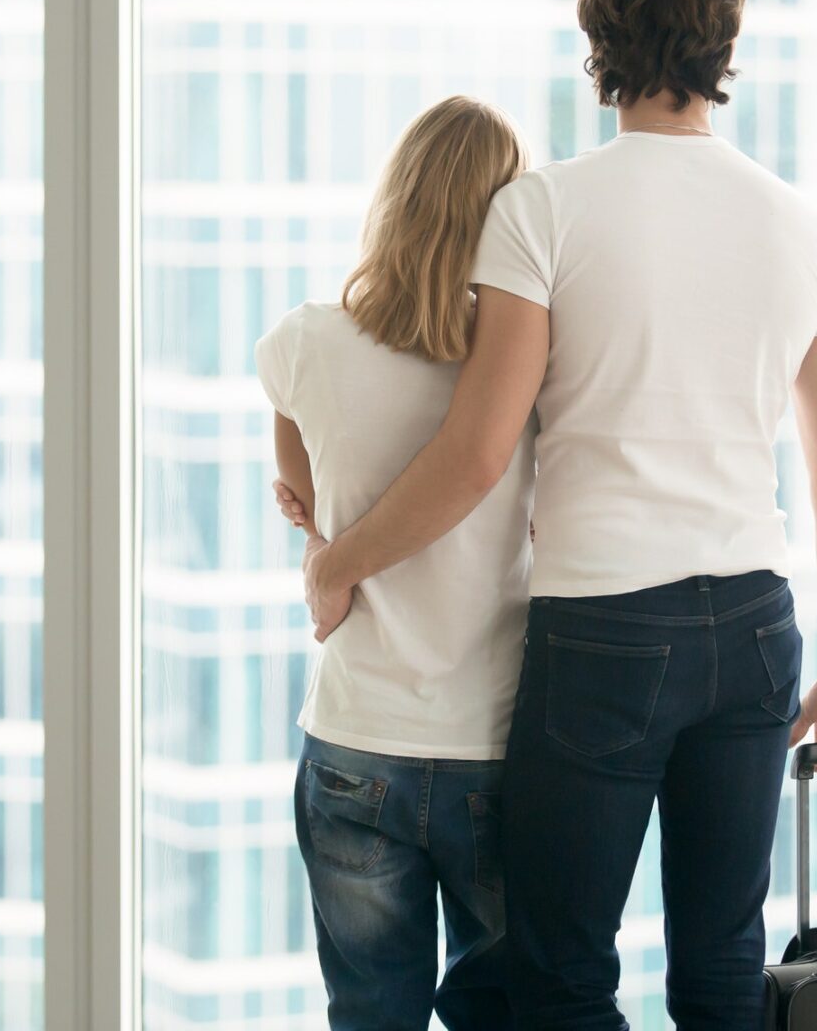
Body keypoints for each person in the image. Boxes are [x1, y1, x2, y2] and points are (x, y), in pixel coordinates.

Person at [281, 0, 817, 1030]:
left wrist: (339, 563)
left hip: (604, 633)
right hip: (756, 626)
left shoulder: (544, 209)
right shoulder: (807, 230)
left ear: (597, 39)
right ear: (726, 41)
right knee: (720, 967)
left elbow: (474, 453)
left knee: (559, 974)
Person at [255, 96, 535, 1030]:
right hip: (493, 744)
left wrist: (330, 534)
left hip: (354, 743)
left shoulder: (302, 344)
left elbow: (305, 508)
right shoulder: (524, 366)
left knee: (370, 1016)